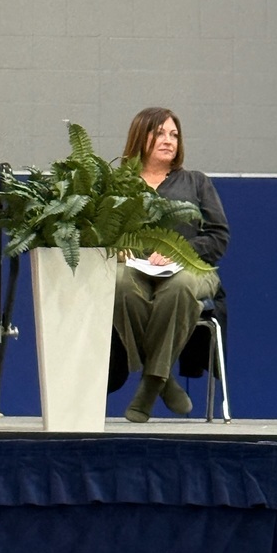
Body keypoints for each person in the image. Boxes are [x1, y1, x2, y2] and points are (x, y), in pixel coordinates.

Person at [113, 106, 229, 423]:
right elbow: (100, 234)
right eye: (160, 133)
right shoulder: (119, 185)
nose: (169, 140)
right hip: (135, 270)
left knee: (178, 287)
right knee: (119, 284)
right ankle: (164, 380)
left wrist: (179, 251)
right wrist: (115, 248)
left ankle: (151, 383)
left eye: (174, 135)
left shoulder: (196, 182)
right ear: (140, 137)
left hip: (191, 269)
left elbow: (219, 236)